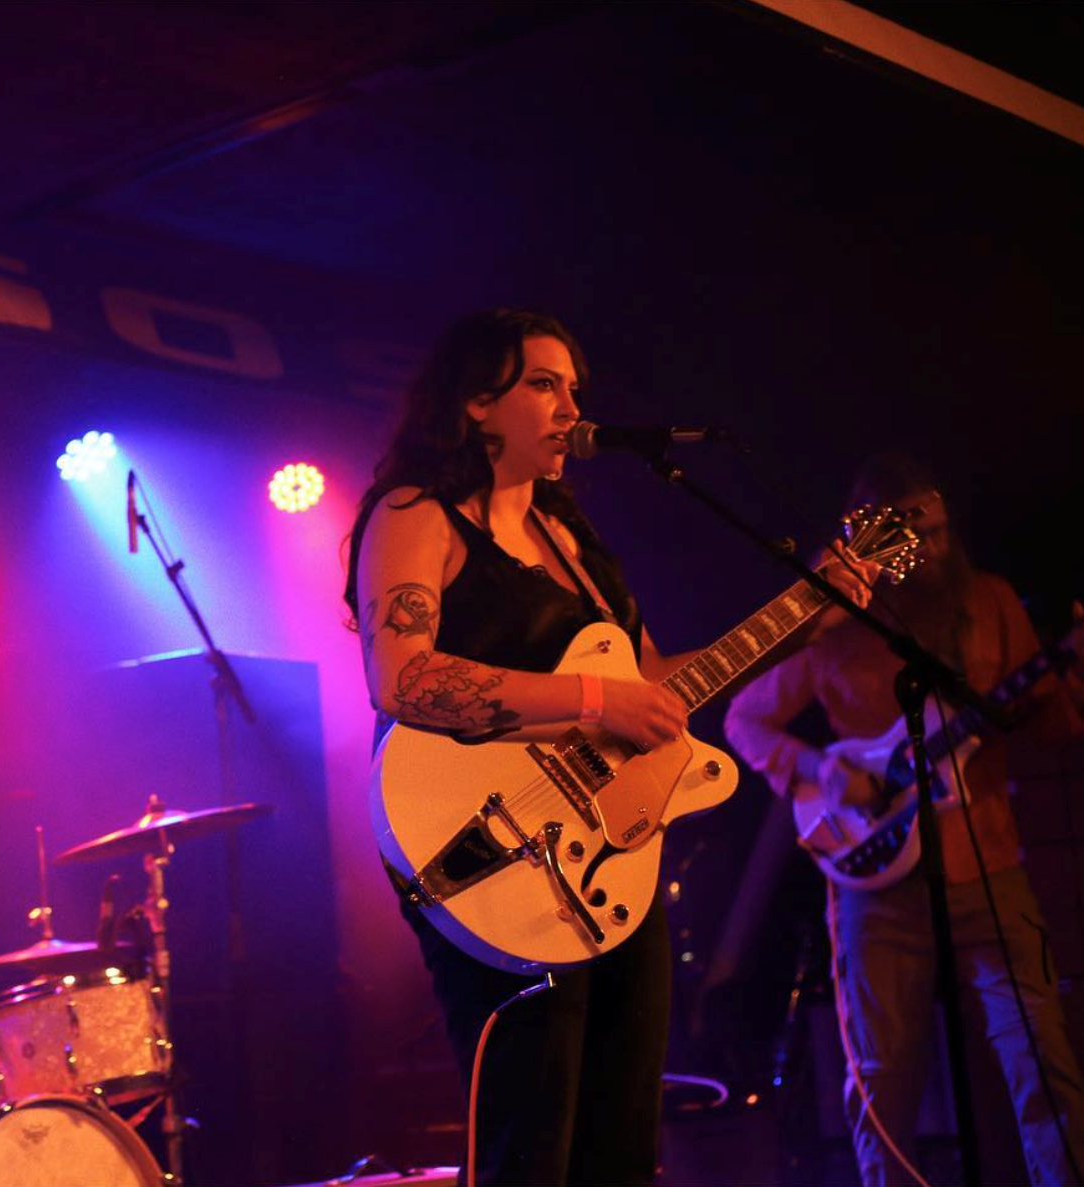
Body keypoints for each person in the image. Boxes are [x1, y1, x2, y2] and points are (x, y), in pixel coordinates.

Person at [343, 308, 874, 1187]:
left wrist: (799, 622)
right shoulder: (414, 513)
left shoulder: (573, 540)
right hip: (485, 847)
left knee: (623, 1143)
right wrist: (595, 701)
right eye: (542, 384)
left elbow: (655, 686)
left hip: (604, 858)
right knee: (531, 1141)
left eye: (574, 389)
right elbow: (403, 678)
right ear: (476, 403)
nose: (567, 406)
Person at [723, 452, 1084, 1187]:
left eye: (941, 532)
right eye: (913, 538)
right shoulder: (832, 627)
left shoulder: (989, 601)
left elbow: (1046, 727)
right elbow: (745, 717)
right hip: (876, 884)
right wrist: (822, 768)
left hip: (988, 863)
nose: (932, 553)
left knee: (1042, 1057)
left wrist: (1064, 687)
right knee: (883, 1079)